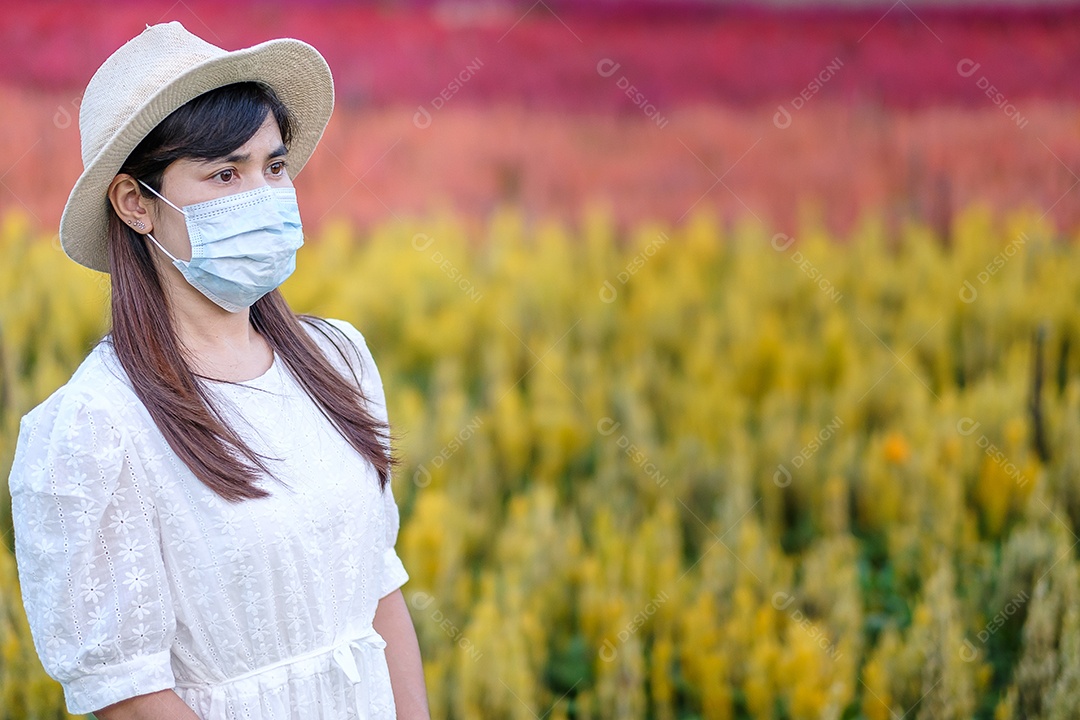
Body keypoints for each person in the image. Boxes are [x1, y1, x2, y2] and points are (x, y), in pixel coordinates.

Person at [6, 21, 430, 719]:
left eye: (274, 166)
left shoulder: (338, 359)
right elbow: (131, 696)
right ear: (135, 204)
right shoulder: (96, 429)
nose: (262, 194)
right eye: (224, 173)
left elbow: (378, 591)